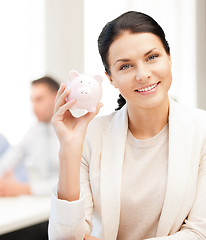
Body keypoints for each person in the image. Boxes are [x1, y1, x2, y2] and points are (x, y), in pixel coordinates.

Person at [48, 11, 206, 240]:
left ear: (169, 58)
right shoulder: (92, 135)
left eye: (152, 57)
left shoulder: (202, 130)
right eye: (125, 66)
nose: (143, 75)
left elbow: (199, 233)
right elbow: (65, 237)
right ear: (110, 78)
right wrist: (69, 149)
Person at [0, 76, 60, 196]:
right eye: (32, 100)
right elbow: (7, 163)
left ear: (55, 98)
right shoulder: (33, 132)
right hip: (37, 205)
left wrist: (24, 189)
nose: (34, 107)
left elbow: (72, 183)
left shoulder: (74, 134)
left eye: (39, 99)